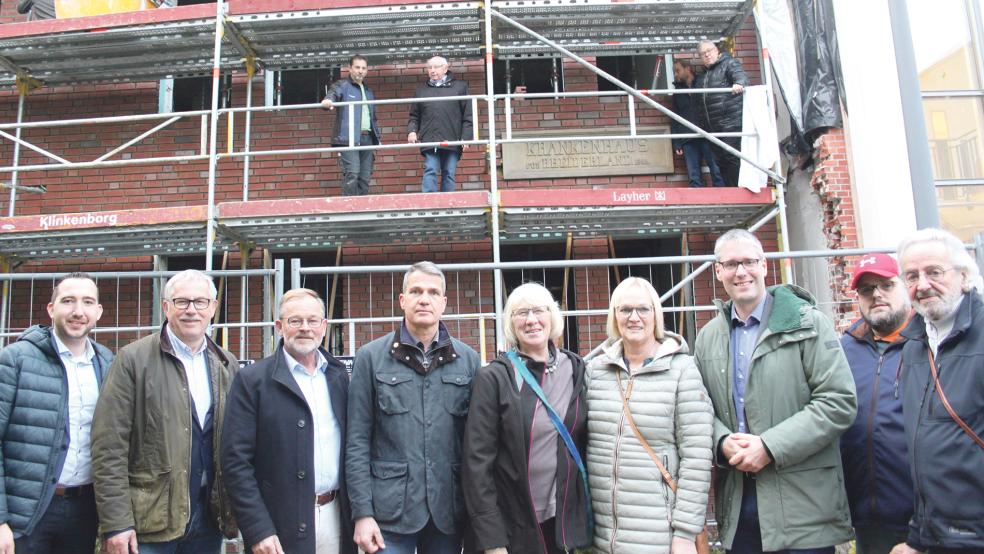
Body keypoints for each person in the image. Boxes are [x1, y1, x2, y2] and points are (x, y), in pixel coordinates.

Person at [693, 229, 856, 553]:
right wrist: (722, 441)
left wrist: (769, 446)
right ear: (718, 271)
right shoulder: (708, 337)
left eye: (749, 262)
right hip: (740, 509)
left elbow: (839, 401)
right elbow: (698, 409)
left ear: (764, 265)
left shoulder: (808, 324)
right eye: (731, 264)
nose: (741, 272)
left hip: (803, 511)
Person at [92, 269, 239, 554]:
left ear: (213, 308)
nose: (191, 310)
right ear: (165, 307)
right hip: (150, 519)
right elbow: (109, 446)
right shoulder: (133, 360)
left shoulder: (226, 364)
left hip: (208, 516)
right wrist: (117, 522)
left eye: (200, 302)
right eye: (181, 301)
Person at [346, 261, 480, 554]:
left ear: (444, 303)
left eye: (433, 292)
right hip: (389, 514)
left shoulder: (468, 360)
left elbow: (477, 443)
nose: (424, 299)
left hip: (448, 511)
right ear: (402, 300)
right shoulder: (370, 358)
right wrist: (362, 513)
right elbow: (356, 442)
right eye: (416, 291)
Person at [222, 288, 355, 554]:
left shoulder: (338, 376)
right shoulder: (253, 381)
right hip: (278, 522)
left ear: (324, 327)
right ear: (280, 327)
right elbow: (235, 461)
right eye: (295, 321)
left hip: (336, 515)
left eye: (312, 320)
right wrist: (258, 528)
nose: (305, 328)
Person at [462, 283, 591, 554]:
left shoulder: (576, 368)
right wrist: (492, 540)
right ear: (511, 324)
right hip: (513, 525)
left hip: (563, 522)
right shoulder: (496, 378)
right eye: (521, 313)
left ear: (552, 316)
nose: (531, 320)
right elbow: (477, 465)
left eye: (538, 311)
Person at [587, 277, 712, 553]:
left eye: (643, 309)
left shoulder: (682, 371)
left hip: (660, 536)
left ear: (656, 314)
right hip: (604, 539)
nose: (634, 318)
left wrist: (685, 533)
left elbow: (697, 457)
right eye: (625, 310)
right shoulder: (596, 372)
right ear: (614, 316)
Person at [0, 273, 113, 553]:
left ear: (98, 312)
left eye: (87, 302)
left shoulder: (108, 363)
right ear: (51, 309)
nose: (78, 311)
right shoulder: (15, 360)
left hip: (84, 511)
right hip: (24, 516)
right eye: (68, 301)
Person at [891, 228, 984, 554]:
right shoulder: (914, 346)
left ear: (964, 275)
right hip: (937, 536)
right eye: (912, 276)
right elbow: (925, 450)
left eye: (934, 272)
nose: (923, 284)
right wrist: (918, 538)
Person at [839, 254, 914, 554]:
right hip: (867, 515)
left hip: (922, 513)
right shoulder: (845, 348)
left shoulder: (929, 344)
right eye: (867, 289)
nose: (877, 295)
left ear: (905, 287)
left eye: (886, 285)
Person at [407, 56, 473, 193]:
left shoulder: (460, 87)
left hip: (452, 138)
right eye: (430, 67)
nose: (432, 70)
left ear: (445, 68)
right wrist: (412, 131)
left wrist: (466, 137)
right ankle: (429, 203)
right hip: (430, 138)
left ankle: (447, 204)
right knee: (430, 169)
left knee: (449, 172)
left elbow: (468, 115)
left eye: (436, 67)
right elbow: (414, 115)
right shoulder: (421, 91)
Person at [321, 54, 382, 196]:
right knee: (352, 174)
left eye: (363, 68)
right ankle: (349, 207)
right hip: (348, 138)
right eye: (357, 67)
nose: (360, 71)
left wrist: (377, 137)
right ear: (350, 68)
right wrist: (328, 101)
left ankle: (362, 211)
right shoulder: (342, 85)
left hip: (368, 139)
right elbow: (332, 94)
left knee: (365, 177)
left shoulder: (368, 91)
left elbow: (372, 117)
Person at [696, 40, 748, 187]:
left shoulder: (728, 64)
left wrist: (739, 83)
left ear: (716, 50)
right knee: (720, 159)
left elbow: (740, 76)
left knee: (731, 155)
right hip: (712, 126)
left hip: (730, 121)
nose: (707, 55)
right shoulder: (703, 76)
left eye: (709, 51)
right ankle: (730, 190)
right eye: (703, 53)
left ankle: (738, 190)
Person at [671, 58, 725, 188]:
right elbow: (674, 117)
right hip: (688, 138)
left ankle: (724, 198)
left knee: (716, 170)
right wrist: (676, 142)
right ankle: (698, 202)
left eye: (678, 70)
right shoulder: (677, 92)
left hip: (707, 133)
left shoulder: (702, 84)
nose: (676, 74)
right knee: (693, 175)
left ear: (687, 69)